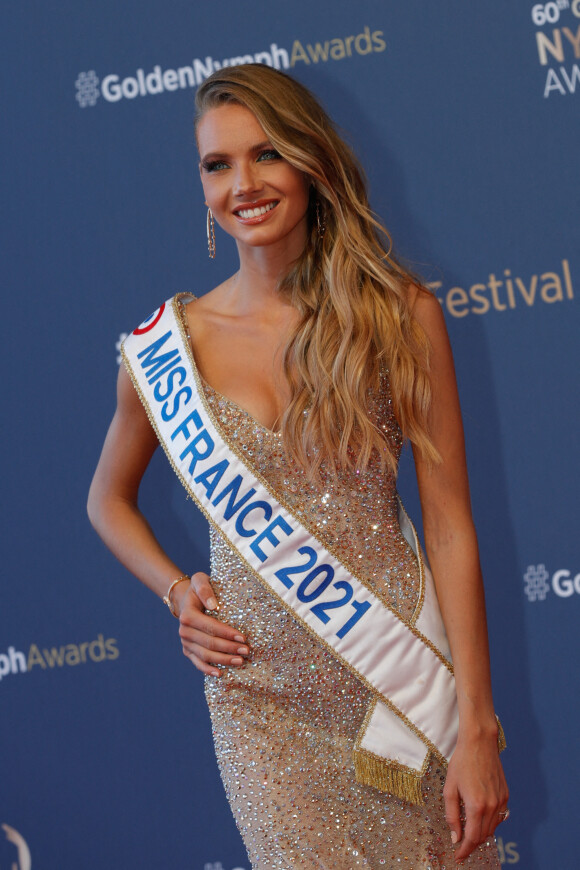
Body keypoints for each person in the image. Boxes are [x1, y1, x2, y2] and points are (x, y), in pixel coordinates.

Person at [88, 64, 509, 868]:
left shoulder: (399, 315)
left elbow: (451, 526)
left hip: (405, 689)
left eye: (266, 154)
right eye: (217, 164)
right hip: (263, 707)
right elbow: (107, 500)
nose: (242, 183)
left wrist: (479, 726)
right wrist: (177, 591)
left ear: (310, 162)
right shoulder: (162, 351)